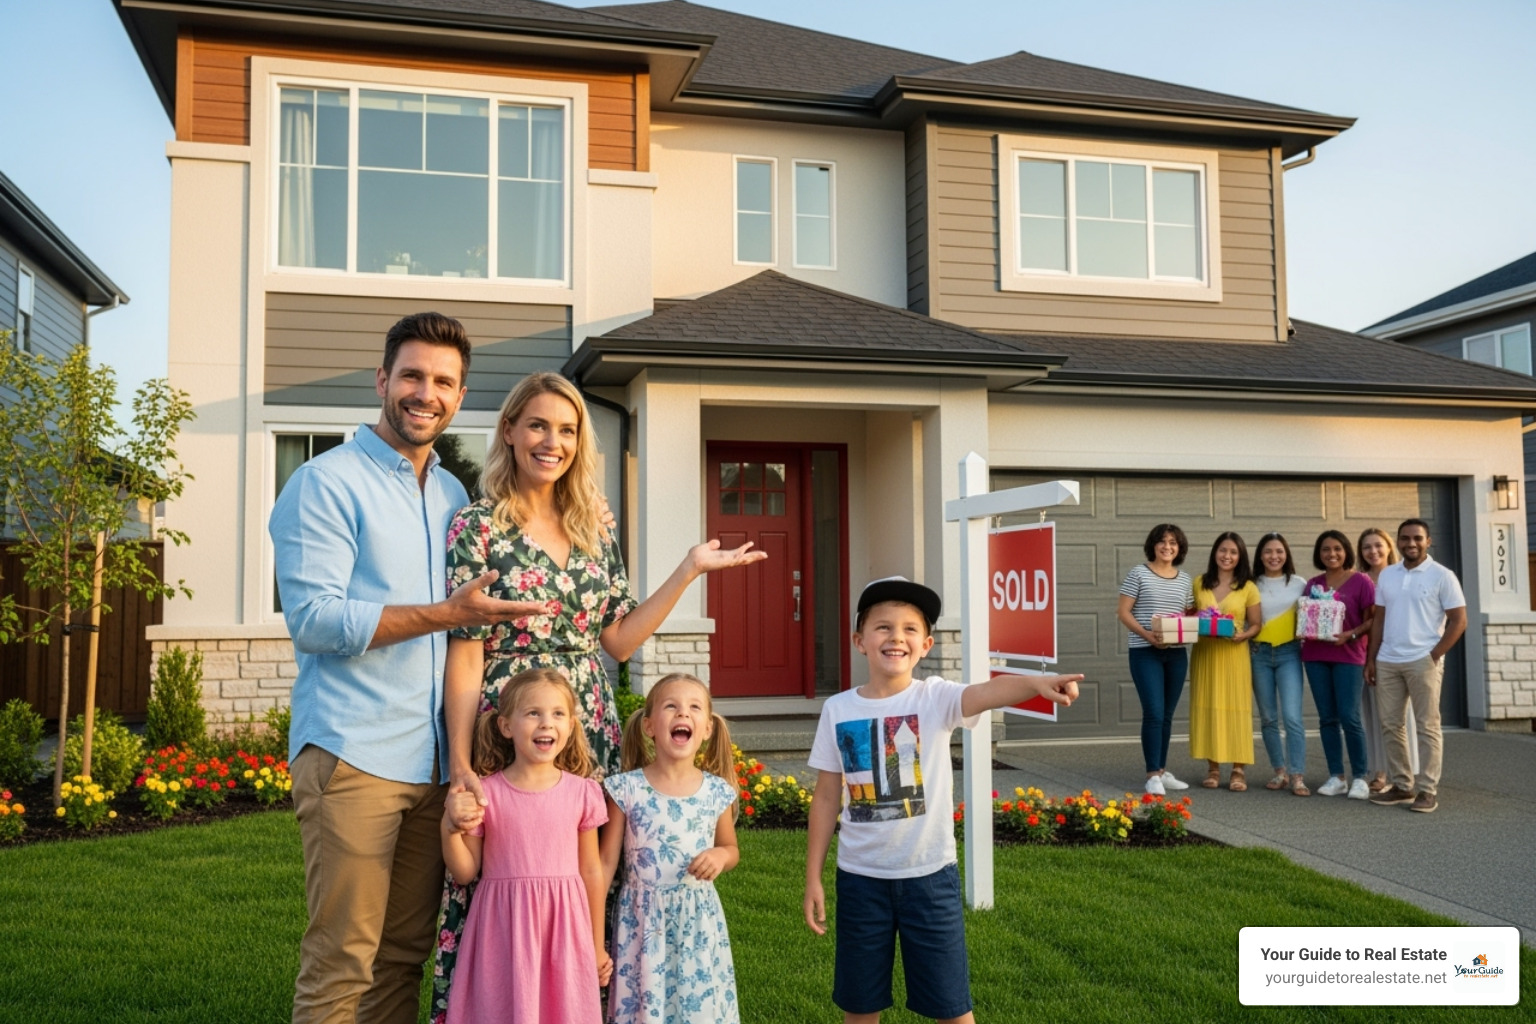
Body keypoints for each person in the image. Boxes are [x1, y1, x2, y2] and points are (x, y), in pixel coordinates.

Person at [435, 371, 764, 1019]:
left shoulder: (593, 529)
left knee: (594, 881)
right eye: (536, 424)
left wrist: (689, 569)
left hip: (586, 726)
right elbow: (465, 652)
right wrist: (463, 765)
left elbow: (617, 640)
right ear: (509, 430)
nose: (550, 441)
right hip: (508, 721)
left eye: (566, 429)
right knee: (499, 877)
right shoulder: (475, 526)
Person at [271, 312, 558, 1024]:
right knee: (343, 958)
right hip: (352, 754)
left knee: (402, 956)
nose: (425, 393)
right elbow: (314, 621)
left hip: (435, 764)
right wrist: (444, 613)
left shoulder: (454, 496)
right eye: (412, 376)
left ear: (460, 397)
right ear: (382, 380)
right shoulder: (325, 483)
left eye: (444, 382)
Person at [803, 577, 1082, 1024]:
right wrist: (812, 877)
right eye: (883, 627)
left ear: (927, 644)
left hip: (930, 881)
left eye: (910, 629)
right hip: (859, 882)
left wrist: (1039, 681)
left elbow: (988, 691)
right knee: (859, 1008)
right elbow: (825, 798)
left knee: (952, 1009)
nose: (897, 637)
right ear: (859, 641)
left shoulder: (935, 698)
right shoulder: (837, 709)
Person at [440, 669, 609, 1024]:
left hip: (563, 931)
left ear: (572, 725)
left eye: (558, 714)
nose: (546, 723)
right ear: (506, 726)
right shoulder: (486, 794)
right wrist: (449, 828)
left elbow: (592, 871)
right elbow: (465, 871)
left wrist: (596, 945)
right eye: (533, 713)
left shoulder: (583, 793)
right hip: (502, 932)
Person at [601, 673, 741, 1024]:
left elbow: (730, 847)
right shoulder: (626, 790)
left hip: (698, 921)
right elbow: (604, 865)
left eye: (694, 707)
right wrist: (591, 936)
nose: (683, 714)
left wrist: (720, 856)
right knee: (645, 1007)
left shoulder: (715, 792)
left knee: (697, 1005)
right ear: (649, 726)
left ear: (707, 728)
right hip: (642, 923)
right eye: (671, 706)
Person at [1366, 518, 1467, 814]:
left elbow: (1459, 620)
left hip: (1423, 660)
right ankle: (1401, 785)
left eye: (1417, 538)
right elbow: (1380, 620)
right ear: (1397, 542)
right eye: (1405, 538)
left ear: (1428, 541)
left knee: (1427, 726)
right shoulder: (1388, 576)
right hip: (1388, 660)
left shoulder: (1442, 576)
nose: (1411, 543)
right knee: (1391, 725)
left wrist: (1434, 655)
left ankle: (1427, 790)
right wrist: (1372, 659)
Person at [1116, 523, 1195, 796]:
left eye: (1173, 542)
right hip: (1144, 651)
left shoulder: (1185, 580)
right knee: (1154, 712)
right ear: (1153, 545)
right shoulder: (1138, 573)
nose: (1167, 547)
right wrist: (1148, 635)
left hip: (1175, 654)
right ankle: (1152, 776)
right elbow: (1123, 612)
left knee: (1167, 716)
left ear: (1179, 548)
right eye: (1162, 541)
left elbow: (1188, 614)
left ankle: (1161, 770)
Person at [1300, 531, 1375, 800]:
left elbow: (1372, 621)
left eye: (1337, 549)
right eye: (1325, 550)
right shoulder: (1312, 584)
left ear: (1346, 551)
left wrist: (1351, 634)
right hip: (1315, 655)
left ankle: (1360, 777)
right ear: (1318, 555)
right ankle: (1336, 777)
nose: (1331, 554)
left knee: (1350, 716)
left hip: (1349, 656)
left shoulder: (1361, 581)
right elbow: (1306, 616)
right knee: (1327, 718)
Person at [1189, 532, 1261, 791]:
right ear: (1214, 553)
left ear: (1239, 556)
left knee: (1236, 709)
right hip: (1205, 654)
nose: (1226, 556)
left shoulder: (1248, 587)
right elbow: (1187, 614)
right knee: (1208, 707)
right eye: (1222, 550)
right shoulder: (1199, 583)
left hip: (1234, 654)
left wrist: (1244, 635)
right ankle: (1213, 767)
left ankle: (1238, 770)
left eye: (1232, 551)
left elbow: (1256, 624)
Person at [1357, 527, 1417, 792]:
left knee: (1398, 716)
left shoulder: (1402, 575)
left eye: (1378, 545)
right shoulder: (1359, 580)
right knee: (1374, 714)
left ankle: (1403, 772)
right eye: (1367, 547)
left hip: (1400, 653)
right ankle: (1378, 771)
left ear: (1389, 547)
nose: (1373, 551)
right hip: (1368, 654)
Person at [1251, 533, 1309, 796]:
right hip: (1258, 654)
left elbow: (1311, 616)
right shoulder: (1251, 584)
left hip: (1289, 654)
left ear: (1286, 554)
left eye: (1279, 551)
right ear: (1260, 556)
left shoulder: (1299, 583)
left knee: (1293, 718)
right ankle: (1279, 772)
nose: (1274, 556)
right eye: (1268, 552)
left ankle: (1297, 775)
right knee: (1268, 718)